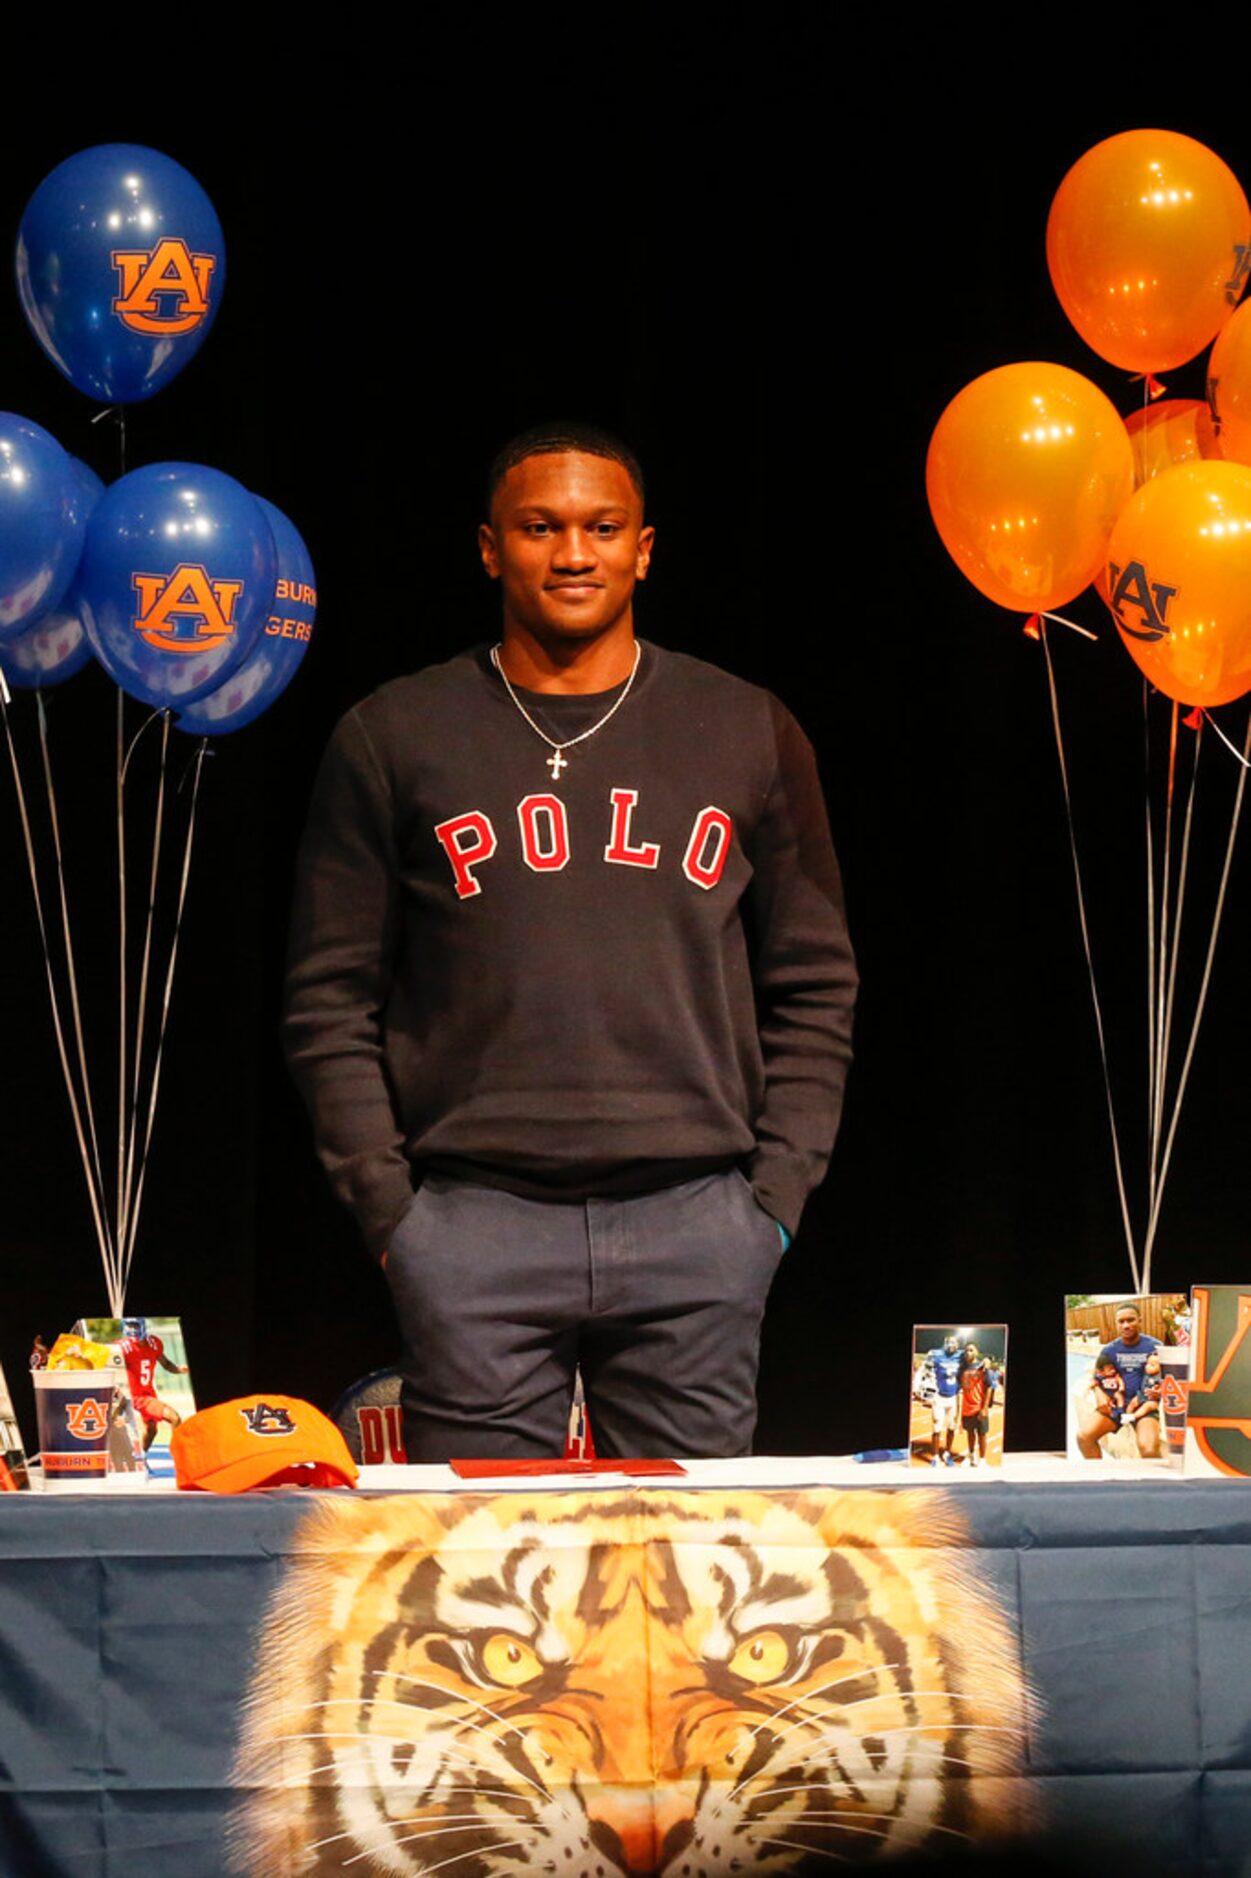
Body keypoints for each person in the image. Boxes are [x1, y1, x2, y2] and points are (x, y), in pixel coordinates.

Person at [284, 422, 857, 1461]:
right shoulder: (394, 734)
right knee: (485, 1588)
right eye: (541, 527)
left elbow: (815, 982)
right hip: (472, 1226)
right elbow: (329, 999)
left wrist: (770, 1205)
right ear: (491, 548)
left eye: (603, 527)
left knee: (690, 1585)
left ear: (645, 548)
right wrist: (393, 1216)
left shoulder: (745, 726)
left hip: (698, 1224)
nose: (575, 553)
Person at [1077, 1303, 1162, 1459]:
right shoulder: (1109, 1350)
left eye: (1131, 1320)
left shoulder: (1155, 1346)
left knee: (1149, 1449)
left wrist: (1161, 1390)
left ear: (1140, 1320)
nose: (1126, 1325)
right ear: (1116, 1323)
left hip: (1144, 1406)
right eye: (1121, 1321)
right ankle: (1100, 1480)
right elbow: (1096, 1377)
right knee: (1084, 1438)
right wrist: (1099, 1394)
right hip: (1116, 1405)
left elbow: (1171, 1378)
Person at [118, 1316, 189, 1452]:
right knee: (174, 1417)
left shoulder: (154, 1343)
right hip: (136, 1396)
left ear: (143, 1325)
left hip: (149, 1393)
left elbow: (166, 1364)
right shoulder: (122, 1348)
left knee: (151, 1429)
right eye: (129, 1325)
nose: (132, 1330)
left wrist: (179, 1369)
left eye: (135, 1325)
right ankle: (179, 1456)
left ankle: (140, 1458)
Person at [926, 1334, 964, 1467]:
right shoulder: (936, 1354)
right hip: (939, 1397)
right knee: (936, 1427)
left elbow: (974, 1358)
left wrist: (986, 1361)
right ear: (945, 1343)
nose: (952, 1345)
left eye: (954, 1343)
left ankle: (947, 1453)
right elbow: (926, 1368)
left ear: (958, 1345)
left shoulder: (961, 1355)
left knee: (951, 1427)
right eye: (949, 1342)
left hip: (953, 1397)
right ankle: (935, 1456)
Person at [958, 1343, 995, 1468]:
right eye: (966, 1350)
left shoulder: (982, 1367)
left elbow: (989, 1387)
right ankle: (971, 1456)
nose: (968, 1352)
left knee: (982, 1434)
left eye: (971, 1350)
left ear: (977, 1352)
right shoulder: (962, 1368)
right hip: (967, 1408)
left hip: (979, 1407)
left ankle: (983, 1459)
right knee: (970, 1433)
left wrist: (984, 1408)